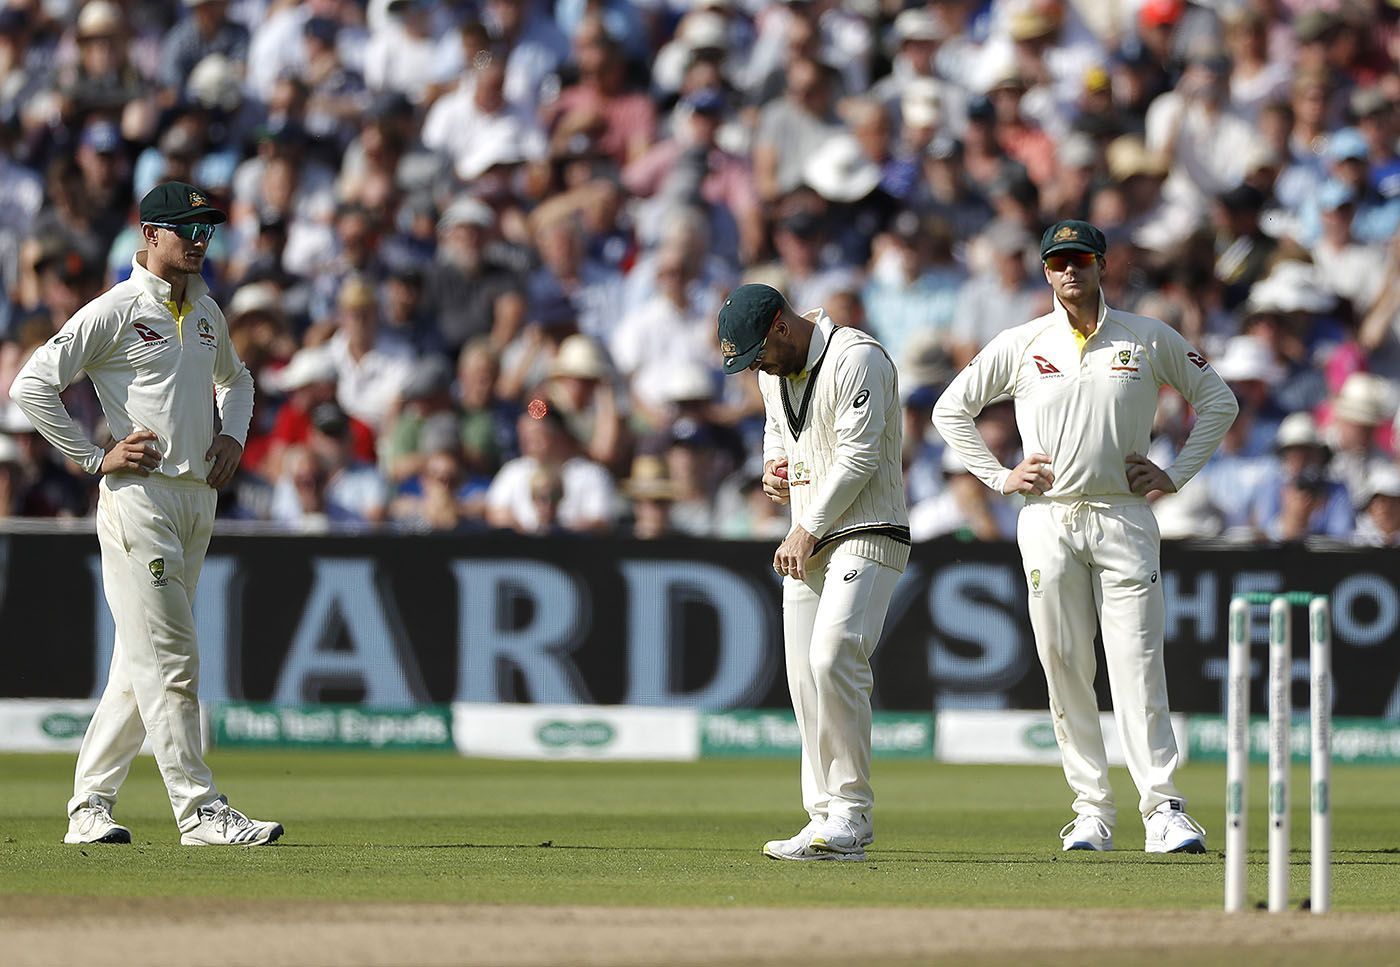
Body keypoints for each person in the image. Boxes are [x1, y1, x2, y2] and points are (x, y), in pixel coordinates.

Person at [932, 220, 1238, 854]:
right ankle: (1092, 808)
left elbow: (1218, 401)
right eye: (1058, 262)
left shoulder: (1147, 336)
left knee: (1136, 663)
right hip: (1047, 517)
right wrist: (998, 474)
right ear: (1045, 272)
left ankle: (1163, 809)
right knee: (1065, 663)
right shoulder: (1022, 342)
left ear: (1103, 265)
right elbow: (949, 409)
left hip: (1124, 514)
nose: (1069, 271)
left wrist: (1174, 474)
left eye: (1081, 260)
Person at [9, 181, 283, 846]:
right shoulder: (117, 309)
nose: (199, 239)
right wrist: (91, 457)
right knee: (175, 661)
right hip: (141, 501)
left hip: (197, 501)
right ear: (149, 234)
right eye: (186, 228)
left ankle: (88, 807)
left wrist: (233, 436)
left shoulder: (209, 310)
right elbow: (31, 385)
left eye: (206, 229)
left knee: (141, 666)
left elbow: (237, 381)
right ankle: (198, 810)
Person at [718, 283, 908, 862]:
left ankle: (852, 813)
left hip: (867, 531)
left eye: (759, 353)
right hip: (807, 541)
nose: (759, 368)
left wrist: (807, 525)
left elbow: (859, 456)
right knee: (804, 677)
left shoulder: (858, 358)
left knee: (832, 656)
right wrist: (773, 473)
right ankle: (823, 815)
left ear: (781, 324)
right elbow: (778, 436)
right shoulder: (772, 374)